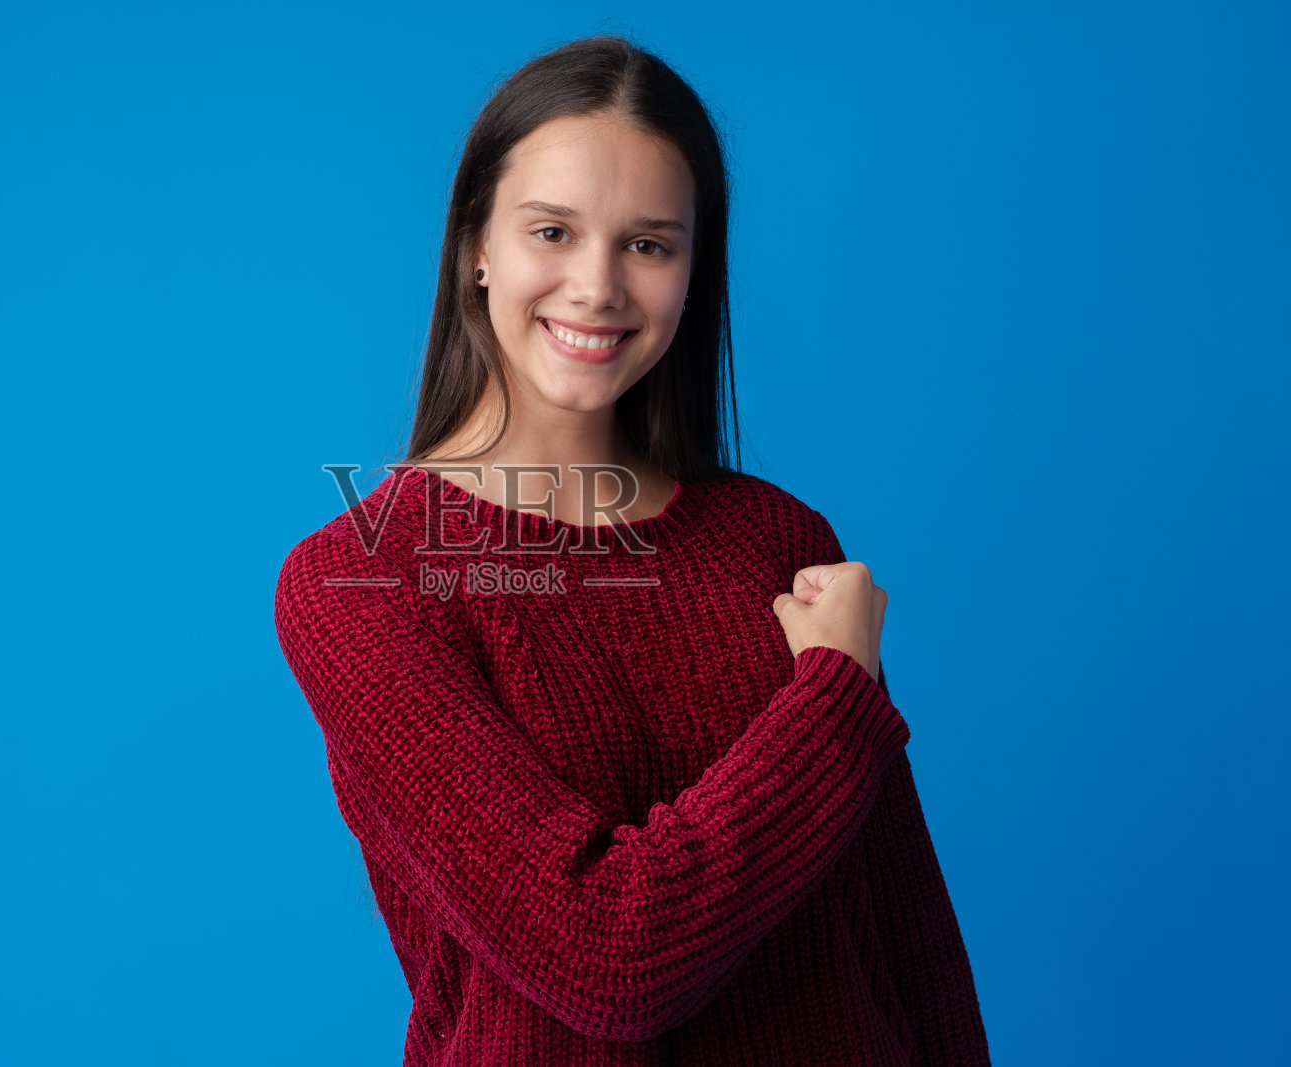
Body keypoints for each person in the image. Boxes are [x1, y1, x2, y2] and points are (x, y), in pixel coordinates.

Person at [274, 33, 990, 1066]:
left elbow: (909, 942)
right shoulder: (363, 581)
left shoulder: (778, 539)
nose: (598, 285)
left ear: (694, 270)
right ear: (476, 245)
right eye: (552, 231)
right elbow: (607, 958)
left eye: (648, 244)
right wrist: (833, 702)